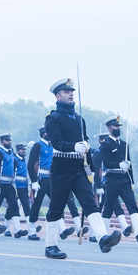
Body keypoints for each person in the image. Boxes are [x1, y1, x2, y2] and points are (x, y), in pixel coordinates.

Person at [44, 79, 121, 259]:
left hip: (78, 167)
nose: (71, 93)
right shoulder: (53, 118)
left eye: (71, 91)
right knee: (56, 207)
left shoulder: (79, 119)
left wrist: (91, 164)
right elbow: (56, 142)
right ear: (57, 95)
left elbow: (84, 142)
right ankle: (51, 246)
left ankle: (102, 238)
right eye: (66, 91)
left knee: (89, 203)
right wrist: (73, 147)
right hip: (61, 166)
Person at [100, 116, 138, 245]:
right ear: (109, 128)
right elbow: (107, 162)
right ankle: (102, 235)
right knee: (108, 207)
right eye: (115, 126)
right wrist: (119, 165)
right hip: (112, 179)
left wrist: (132, 181)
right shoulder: (105, 144)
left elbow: (129, 164)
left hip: (124, 180)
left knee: (132, 206)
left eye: (118, 126)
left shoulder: (125, 144)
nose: (117, 128)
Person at [0, 133, 28, 238]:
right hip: (0, 184)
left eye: (10, 140)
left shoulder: (10, 151)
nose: (10, 142)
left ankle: (17, 231)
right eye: (7, 140)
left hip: (9, 185)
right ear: (2, 141)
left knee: (14, 206)